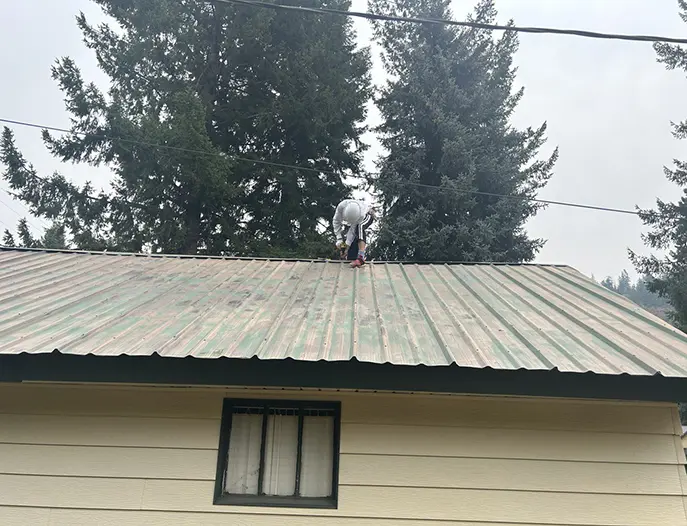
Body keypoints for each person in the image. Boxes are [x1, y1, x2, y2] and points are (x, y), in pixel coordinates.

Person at [333, 199, 375, 268]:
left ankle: (361, 257)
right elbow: (336, 222)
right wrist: (340, 240)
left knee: (359, 227)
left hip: (368, 214)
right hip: (354, 220)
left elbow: (352, 232)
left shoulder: (360, 215)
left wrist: (347, 245)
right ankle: (351, 257)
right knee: (350, 237)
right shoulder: (341, 207)